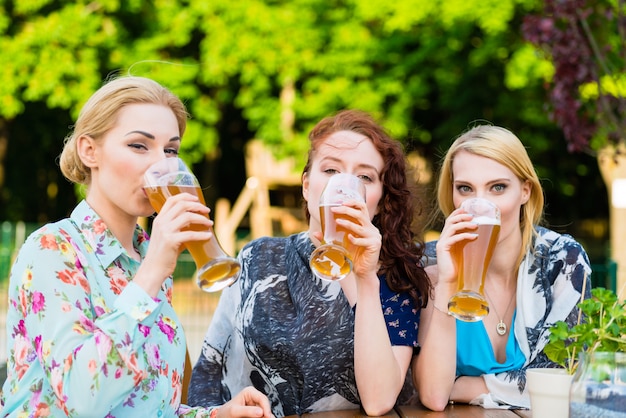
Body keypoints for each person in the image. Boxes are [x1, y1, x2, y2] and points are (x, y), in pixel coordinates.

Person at [0, 75, 273, 418]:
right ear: (89, 151)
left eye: (170, 150)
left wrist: (215, 414)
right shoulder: (52, 249)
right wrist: (152, 274)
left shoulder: (144, 257)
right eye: (139, 146)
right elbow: (82, 401)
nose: (162, 165)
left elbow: (147, 406)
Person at [187, 109, 431, 416]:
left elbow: (379, 401)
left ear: (380, 201)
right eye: (330, 171)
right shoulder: (258, 258)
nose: (344, 186)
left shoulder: (398, 275)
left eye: (364, 177)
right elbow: (211, 367)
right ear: (306, 185)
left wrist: (365, 277)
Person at [412, 125, 592, 411]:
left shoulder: (562, 262)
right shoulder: (431, 264)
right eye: (465, 189)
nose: (480, 204)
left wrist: (462, 386)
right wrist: (447, 282)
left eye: (498, 187)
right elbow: (434, 396)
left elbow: (567, 381)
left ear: (525, 191)